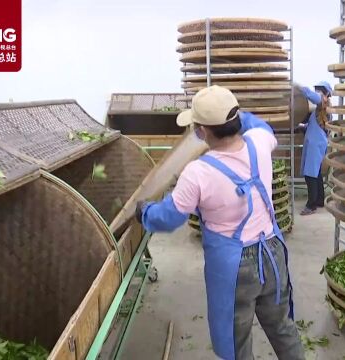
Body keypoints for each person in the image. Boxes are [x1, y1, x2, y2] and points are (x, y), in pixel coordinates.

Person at [135, 86, 304, 360]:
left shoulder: (198, 172)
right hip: (273, 252)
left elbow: (168, 217)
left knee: (236, 339)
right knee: (282, 326)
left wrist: (144, 212)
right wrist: (232, 112)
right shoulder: (260, 141)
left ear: (201, 131)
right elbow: (258, 124)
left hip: (233, 267)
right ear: (236, 120)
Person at [298, 81, 332, 216]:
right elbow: (314, 125)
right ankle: (319, 200)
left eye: (320, 90)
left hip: (316, 143)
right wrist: (301, 127)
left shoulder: (323, 102)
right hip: (314, 141)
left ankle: (311, 205)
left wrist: (299, 87)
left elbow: (311, 95)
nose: (318, 92)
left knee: (310, 174)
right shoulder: (319, 109)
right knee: (315, 173)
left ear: (326, 93)